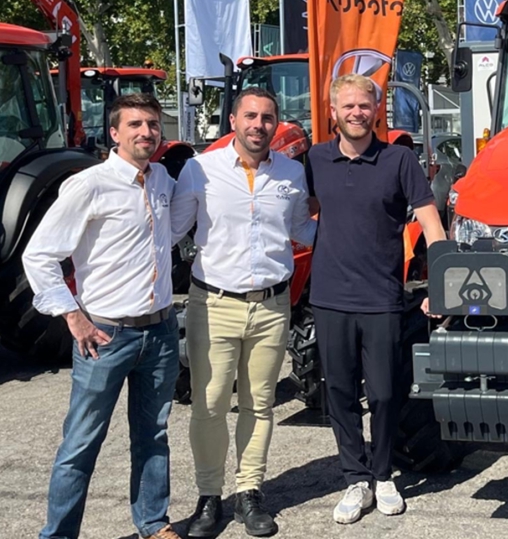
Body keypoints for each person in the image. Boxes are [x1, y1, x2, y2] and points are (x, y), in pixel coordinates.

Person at [24, 94, 181, 539]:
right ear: (114, 133)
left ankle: (152, 522)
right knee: (80, 445)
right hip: (106, 335)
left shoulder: (163, 180)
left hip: (161, 330)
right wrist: (72, 317)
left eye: (152, 124)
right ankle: (58, 535)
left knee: (153, 436)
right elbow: (39, 255)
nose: (146, 132)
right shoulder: (89, 184)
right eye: (135, 125)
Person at [171, 87, 317, 538]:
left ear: (277, 124)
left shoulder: (292, 172)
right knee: (210, 405)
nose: (259, 125)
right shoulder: (200, 170)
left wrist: (353, 228)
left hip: (273, 306)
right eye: (250, 116)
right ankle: (209, 496)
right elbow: (171, 230)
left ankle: (250, 492)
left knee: (260, 403)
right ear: (233, 120)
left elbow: (300, 229)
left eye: (267, 118)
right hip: (213, 304)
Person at [305, 73, 446, 525]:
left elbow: (432, 225)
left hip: (382, 297)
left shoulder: (399, 160)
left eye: (364, 106)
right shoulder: (315, 160)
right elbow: (293, 213)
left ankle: (383, 475)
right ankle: (355, 478)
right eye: (347, 106)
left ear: (376, 110)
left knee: (385, 394)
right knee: (341, 394)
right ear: (333, 112)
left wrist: (441, 285)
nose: (356, 113)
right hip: (328, 296)